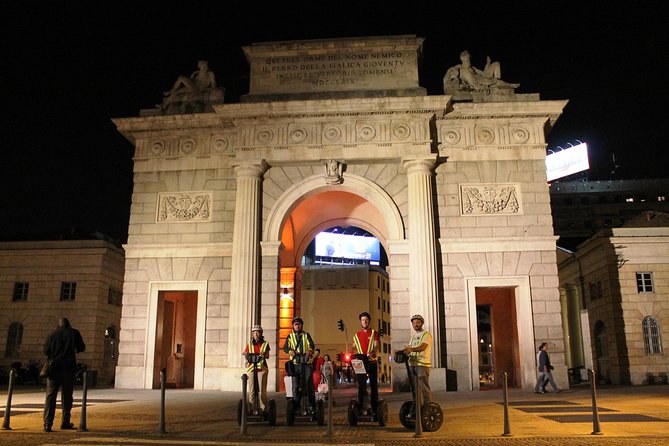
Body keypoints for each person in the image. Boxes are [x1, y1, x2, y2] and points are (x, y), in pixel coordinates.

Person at [42, 317, 86, 432]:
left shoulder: (52, 334)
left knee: (50, 397)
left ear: (59, 324)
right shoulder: (73, 333)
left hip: (54, 369)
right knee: (67, 396)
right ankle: (65, 421)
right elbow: (82, 347)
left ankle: (47, 423)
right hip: (68, 368)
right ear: (69, 324)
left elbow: (46, 351)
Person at [444, 50, 519, 94]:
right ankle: (510, 86)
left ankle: (500, 87)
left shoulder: (473, 68)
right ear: (462, 59)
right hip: (476, 84)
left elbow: (485, 74)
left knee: (496, 64)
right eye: (466, 59)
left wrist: (488, 63)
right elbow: (451, 74)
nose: (468, 60)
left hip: (481, 79)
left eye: (469, 59)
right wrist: (454, 79)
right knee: (496, 81)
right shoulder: (459, 68)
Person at [283, 316, 316, 411]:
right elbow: (285, 348)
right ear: (293, 326)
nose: (297, 326)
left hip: (306, 364)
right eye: (295, 324)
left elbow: (312, 345)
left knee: (309, 385)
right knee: (295, 386)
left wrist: (309, 351)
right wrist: (290, 351)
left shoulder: (306, 335)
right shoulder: (290, 336)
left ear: (302, 326)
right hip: (295, 364)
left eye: (299, 324)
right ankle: (296, 406)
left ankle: (312, 406)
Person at [352, 311, 380, 416]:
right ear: (360, 322)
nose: (364, 321)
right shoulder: (357, 335)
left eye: (366, 320)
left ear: (369, 321)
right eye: (363, 320)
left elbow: (376, 346)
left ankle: (374, 407)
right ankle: (361, 406)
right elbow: (354, 347)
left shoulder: (374, 333)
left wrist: (372, 352)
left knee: (373, 385)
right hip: (360, 361)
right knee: (361, 385)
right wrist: (350, 354)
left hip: (371, 361)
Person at [403, 314, 432, 403]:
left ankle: (427, 408)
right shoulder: (413, 337)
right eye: (414, 323)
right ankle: (417, 409)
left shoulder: (426, 335)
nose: (416, 324)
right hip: (413, 365)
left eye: (418, 322)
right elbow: (409, 348)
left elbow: (423, 347)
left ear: (422, 323)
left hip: (422, 365)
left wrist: (411, 349)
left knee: (424, 388)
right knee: (415, 390)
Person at [243, 325, 270, 413]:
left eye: (258, 332)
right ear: (252, 334)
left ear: (261, 333)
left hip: (262, 369)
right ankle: (252, 408)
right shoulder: (249, 344)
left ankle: (263, 408)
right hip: (251, 368)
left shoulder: (265, 344)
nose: (256, 334)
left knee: (262, 390)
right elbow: (246, 354)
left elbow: (267, 356)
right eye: (254, 333)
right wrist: (246, 357)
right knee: (252, 390)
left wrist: (264, 353)